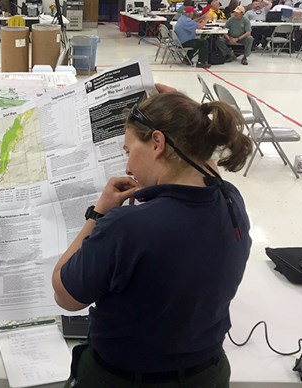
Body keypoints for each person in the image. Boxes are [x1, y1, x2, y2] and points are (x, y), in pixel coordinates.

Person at [52, 89, 253, 388]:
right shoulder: (230, 199)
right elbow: (199, 159)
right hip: (208, 374)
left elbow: (65, 295)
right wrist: (186, 113)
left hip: (125, 379)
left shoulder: (128, 226)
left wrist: (98, 214)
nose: (128, 167)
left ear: (157, 143)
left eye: (128, 150)